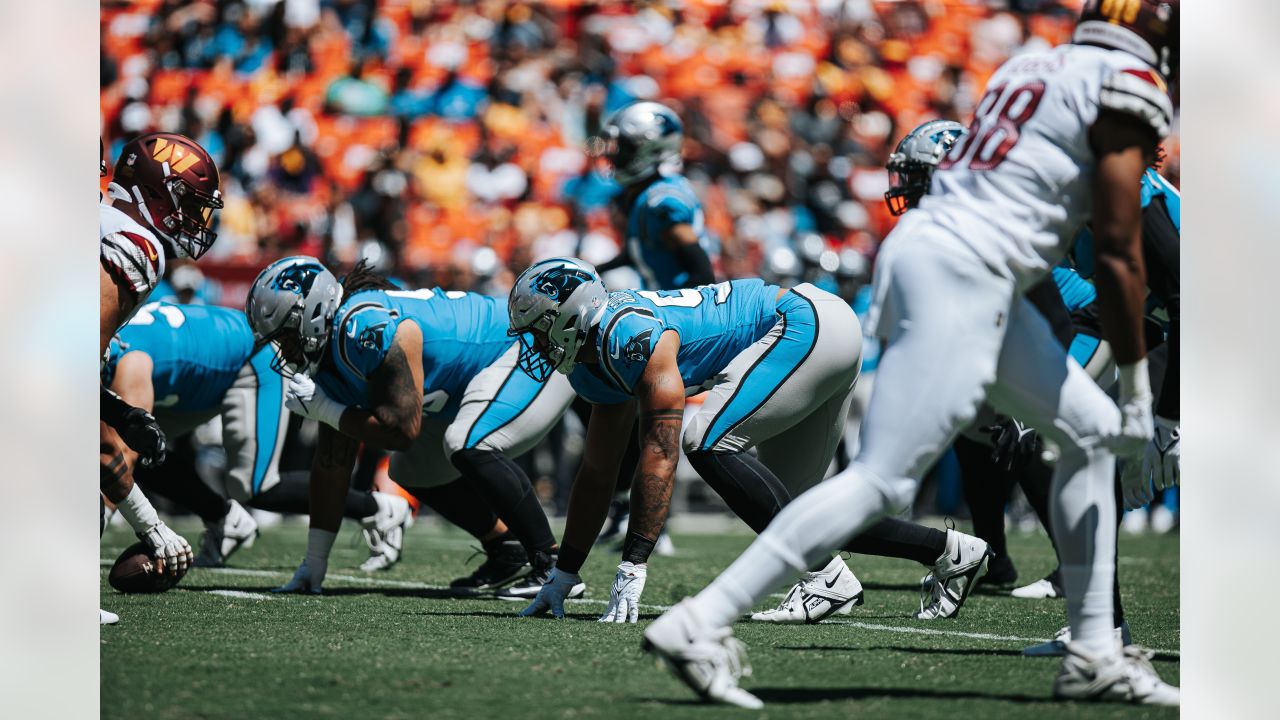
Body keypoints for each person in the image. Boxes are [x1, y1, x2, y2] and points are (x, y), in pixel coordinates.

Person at [642, 0, 1179, 707]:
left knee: (1080, 435)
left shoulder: (1032, 65)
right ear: (1146, 30)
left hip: (959, 264)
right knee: (882, 480)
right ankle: (698, 622)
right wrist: (1142, 395)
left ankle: (1095, 652)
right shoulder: (1125, 83)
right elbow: (1116, 251)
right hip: (965, 271)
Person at [507, 258, 862, 623]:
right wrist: (564, 573)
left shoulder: (629, 337)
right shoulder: (593, 360)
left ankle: (831, 574)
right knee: (792, 508)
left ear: (570, 316)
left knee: (706, 443)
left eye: (538, 331)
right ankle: (923, 550)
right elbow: (599, 472)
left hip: (803, 321)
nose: (534, 345)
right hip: (818, 322)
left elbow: (661, 451)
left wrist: (633, 564)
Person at [246, 257, 577, 597]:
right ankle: (507, 549)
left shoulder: (363, 328)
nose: (282, 348)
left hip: (528, 348)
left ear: (313, 313)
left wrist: (326, 409)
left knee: (466, 441)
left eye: (284, 335)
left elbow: (402, 432)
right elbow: (333, 461)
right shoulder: (332, 345)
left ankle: (552, 564)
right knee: (412, 471)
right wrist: (313, 564)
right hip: (476, 378)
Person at [102, 301, 411, 569]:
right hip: (197, 377)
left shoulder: (129, 363)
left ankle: (379, 509)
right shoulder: (117, 344)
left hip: (251, 358)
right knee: (141, 452)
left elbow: (118, 464)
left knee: (255, 486)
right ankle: (224, 519)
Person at [99, 132, 223, 624]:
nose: (198, 219)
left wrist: (118, 411)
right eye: (191, 204)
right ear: (159, 192)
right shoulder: (134, 243)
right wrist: (154, 530)